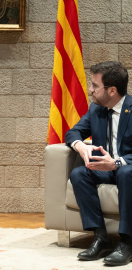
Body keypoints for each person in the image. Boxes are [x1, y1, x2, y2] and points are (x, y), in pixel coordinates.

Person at [65, 61, 132, 266]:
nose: (90, 90)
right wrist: (80, 146)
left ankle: (127, 243)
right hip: (105, 169)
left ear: (112, 90)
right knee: (79, 174)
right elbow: (73, 132)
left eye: (95, 86)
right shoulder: (96, 109)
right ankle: (101, 238)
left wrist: (117, 162)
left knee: (125, 173)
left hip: (127, 169)